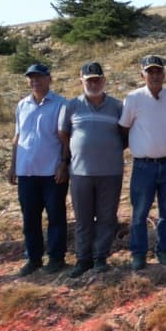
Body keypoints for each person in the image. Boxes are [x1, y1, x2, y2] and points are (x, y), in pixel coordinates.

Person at [120, 55, 166, 268]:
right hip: (143, 166)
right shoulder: (133, 98)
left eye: (158, 71)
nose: (155, 75)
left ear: (164, 74)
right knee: (140, 212)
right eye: (150, 72)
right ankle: (138, 254)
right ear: (142, 75)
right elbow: (124, 128)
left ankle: (164, 251)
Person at [59, 61, 126, 277]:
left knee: (107, 218)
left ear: (104, 81)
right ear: (81, 81)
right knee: (83, 219)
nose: (94, 84)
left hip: (111, 172)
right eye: (89, 80)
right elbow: (63, 135)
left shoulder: (117, 106)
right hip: (80, 173)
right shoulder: (71, 106)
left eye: (97, 80)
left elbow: (124, 135)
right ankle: (82, 259)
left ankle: (100, 258)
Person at [9, 62, 68, 276]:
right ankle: (33, 258)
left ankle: (56, 258)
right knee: (30, 219)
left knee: (56, 217)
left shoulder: (61, 104)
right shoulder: (22, 105)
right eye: (31, 78)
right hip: (26, 171)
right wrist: (13, 165)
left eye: (39, 77)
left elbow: (65, 138)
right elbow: (18, 137)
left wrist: (64, 163)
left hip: (52, 171)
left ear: (49, 78)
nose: (35, 81)